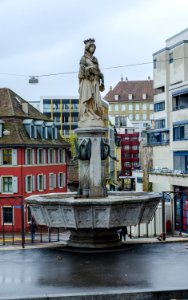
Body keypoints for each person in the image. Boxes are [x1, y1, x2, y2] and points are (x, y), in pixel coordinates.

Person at [78, 38, 105, 122]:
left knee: (95, 99)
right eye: (91, 47)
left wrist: (100, 75)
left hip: (95, 81)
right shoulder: (83, 58)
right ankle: (88, 113)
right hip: (86, 80)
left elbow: (98, 69)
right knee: (88, 97)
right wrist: (89, 69)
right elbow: (81, 72)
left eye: (94, 47)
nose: (93, 49)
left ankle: (94, 113)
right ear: (87, 47)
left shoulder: (95, 59)